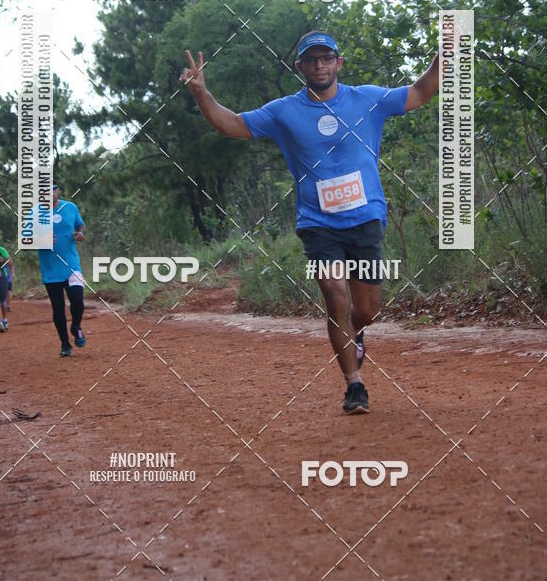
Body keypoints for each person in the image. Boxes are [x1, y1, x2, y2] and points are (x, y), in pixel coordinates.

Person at [180, 31, 439, 415]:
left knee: (366, 309)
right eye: (311, 60)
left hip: (365, 217)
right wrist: (202, 93)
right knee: (335, 296)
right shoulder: (284, 111)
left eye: (326, 58)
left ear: (339, 63)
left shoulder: (367, 99)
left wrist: (444, 53)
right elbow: (231, 125)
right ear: (299, 66)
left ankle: (357, 331)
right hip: (317, 223)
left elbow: (419, 92)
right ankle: (355, 385)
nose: (320, 65)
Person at [37, 183, 87, 357]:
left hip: (72, 265)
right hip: (50, 269)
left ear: (57, 191)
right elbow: (26, 239)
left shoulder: (70, 207)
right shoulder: (35, 213)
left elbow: (80, 225)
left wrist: (80, 233)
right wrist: (42, 239)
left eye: (52, 189)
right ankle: (65, 344)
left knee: (78, 300)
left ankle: (76, 326)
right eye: (44, 191)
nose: (49, 193)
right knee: (58, 308)